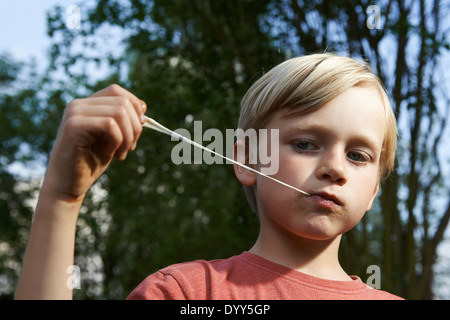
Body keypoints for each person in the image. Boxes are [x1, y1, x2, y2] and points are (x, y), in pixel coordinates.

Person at [15, 53, 402, 300]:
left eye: (357, 155)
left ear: (373, 193)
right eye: (305, 144)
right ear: (248, 160)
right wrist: (61, 201)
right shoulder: (185, 294)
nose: (334, 167)